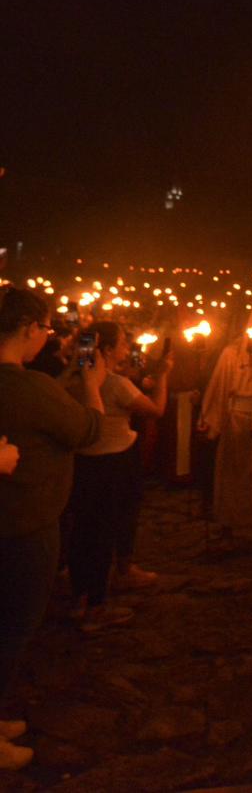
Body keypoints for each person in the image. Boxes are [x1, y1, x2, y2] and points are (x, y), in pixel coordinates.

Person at [0, 286, 104, 771]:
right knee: (12, 631)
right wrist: (95, 385)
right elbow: (88, 430)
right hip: (23, 528)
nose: (45, 336)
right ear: (25, 330)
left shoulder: (33, 385)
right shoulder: (26, 388)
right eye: (42, 328)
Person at [65, 322, 171, 631]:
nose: (127, 348)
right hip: (114, 464)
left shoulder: (72, 381)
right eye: (123, 343)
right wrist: (164, 375)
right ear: (108, 350)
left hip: (83, 463)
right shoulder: (114, 385)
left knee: (82, 531)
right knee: (104, 532)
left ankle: (78, 599)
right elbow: (155, 410)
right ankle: (97, 607)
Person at [199, 283, 252, 545]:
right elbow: (219, 387)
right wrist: (210, 419)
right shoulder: (231, 353)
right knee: (235, 474)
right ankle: (230, 521)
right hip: (237, 419)